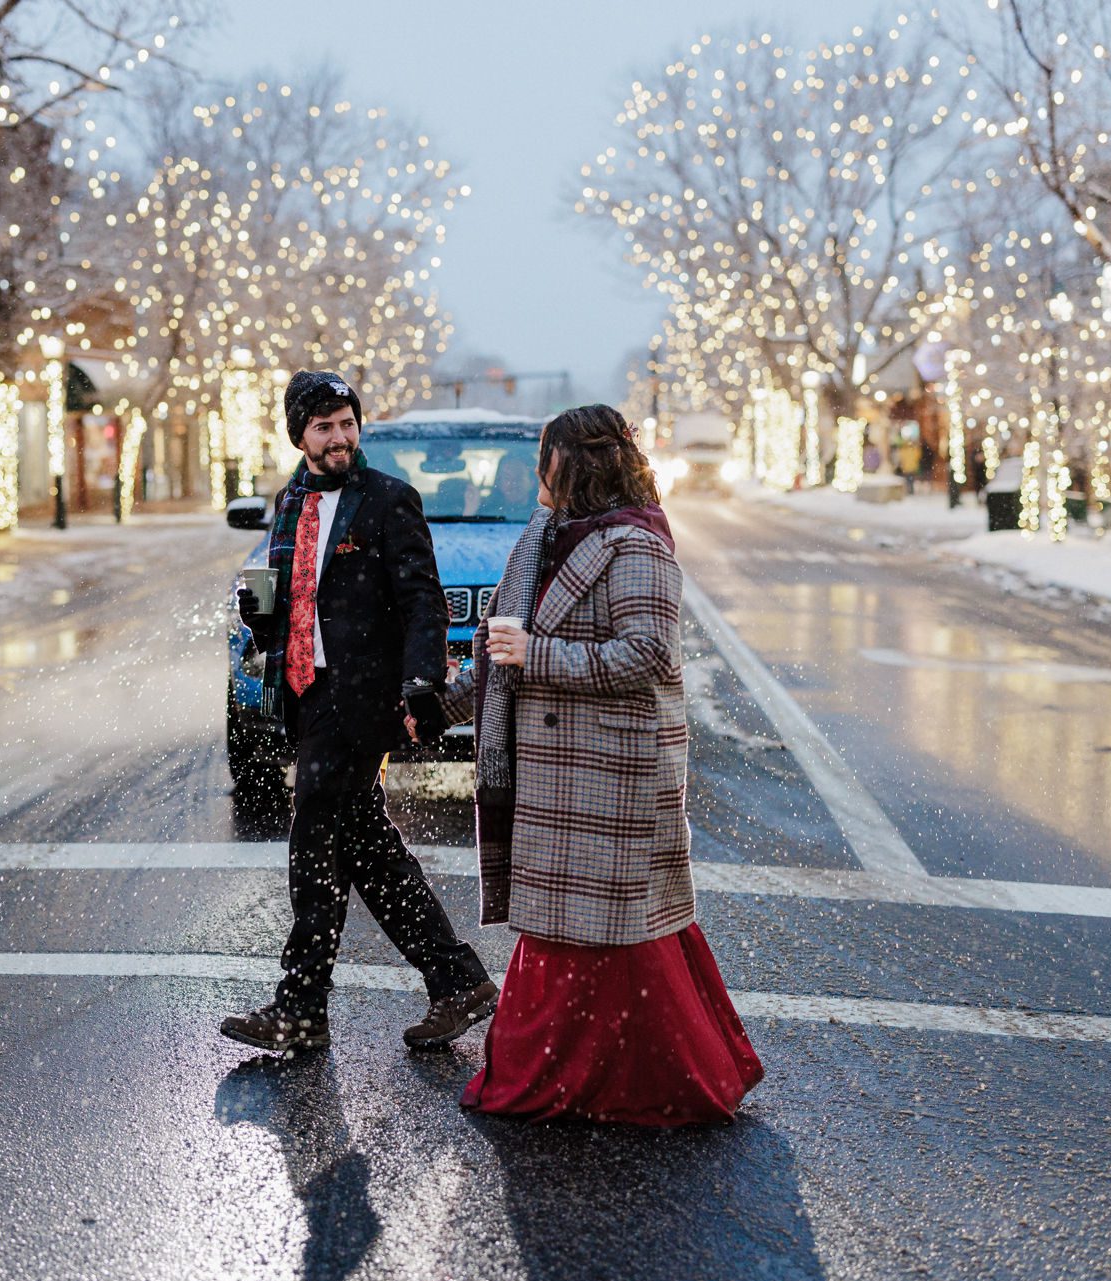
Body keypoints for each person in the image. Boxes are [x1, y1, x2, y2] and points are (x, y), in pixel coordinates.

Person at [443, 404, 763, 1126]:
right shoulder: (545, 539)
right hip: (560, 773)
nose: (537, 471)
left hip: (611, 773)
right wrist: (438, 709)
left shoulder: (636, 546)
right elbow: (503, 648)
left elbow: (647, 654)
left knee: (608, 935)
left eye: (546, 456)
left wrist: (541, 657)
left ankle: (621, 1078)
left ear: (578, 465)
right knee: (582, 930)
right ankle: (594, 1073)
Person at [221, 369, 497, 1054]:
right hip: (305, 698)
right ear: (300, 436)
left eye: (347, 423)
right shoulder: (291, 503)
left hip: (360, 701)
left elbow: (422, 602)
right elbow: (283, 591)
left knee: (313, 848)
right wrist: (262, 618)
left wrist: (421, 688)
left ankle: (300, 1004)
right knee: (367, 851)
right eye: (325, 427)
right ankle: (455, 980)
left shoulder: (387, 501)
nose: (340, 436)